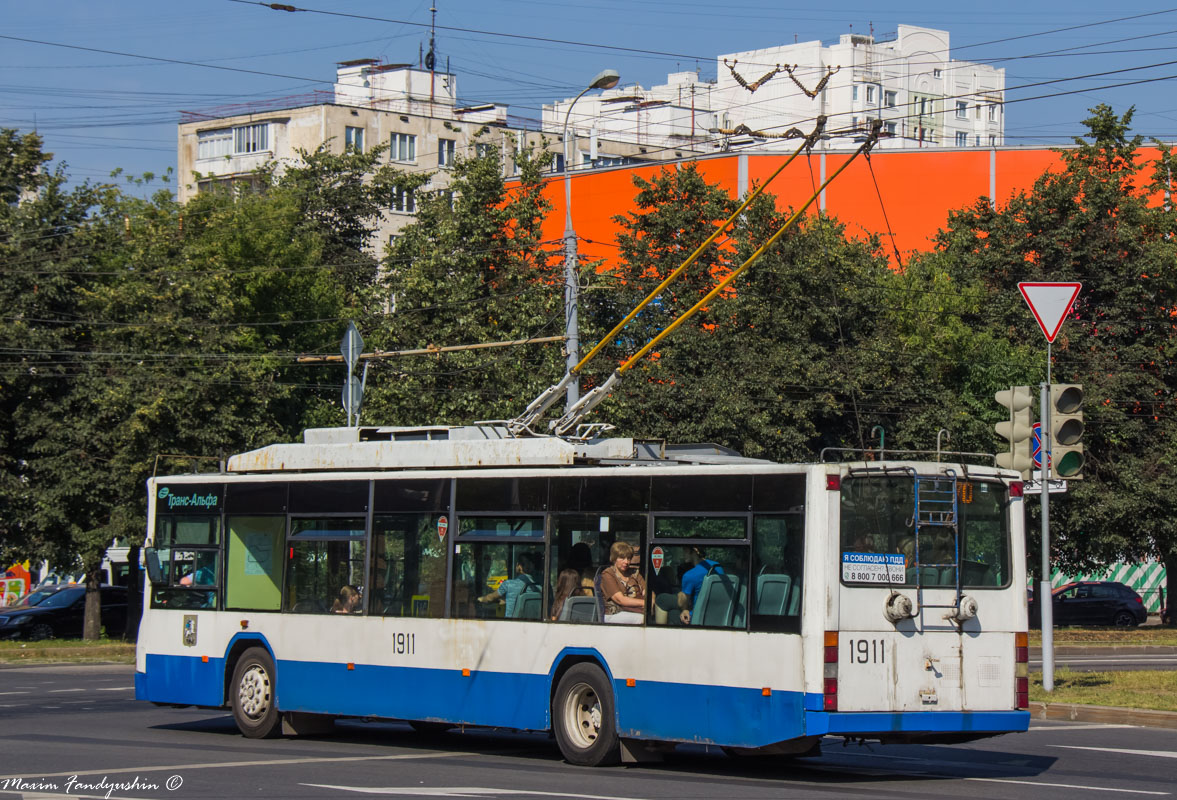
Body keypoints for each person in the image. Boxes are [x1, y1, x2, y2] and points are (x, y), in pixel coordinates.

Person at [479, 553, 540, 618]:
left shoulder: (508, 584)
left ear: (519, 566)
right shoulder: (539, 588)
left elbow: (490, 598)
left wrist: (480, 599)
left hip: (510, 623)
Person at [599, 541, 646, 624]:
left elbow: (648, 592)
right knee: (642, 619)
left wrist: (651, 600)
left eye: (628, 558)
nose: (626, 562)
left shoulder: (635, 573)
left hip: (636, 610)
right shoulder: (607, 574)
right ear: (614, 558)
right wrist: (644, 603)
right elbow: (620, 599)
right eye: (622, 558)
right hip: (614, 613)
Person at [678, 546, 723, 624]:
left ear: (695, 550)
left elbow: (682, 604)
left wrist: (680, 594)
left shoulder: (689, 575)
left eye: (685, 550)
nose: (683, 555)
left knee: (662, 600)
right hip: (719, 616)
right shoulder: (718, 567)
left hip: (696, 618)